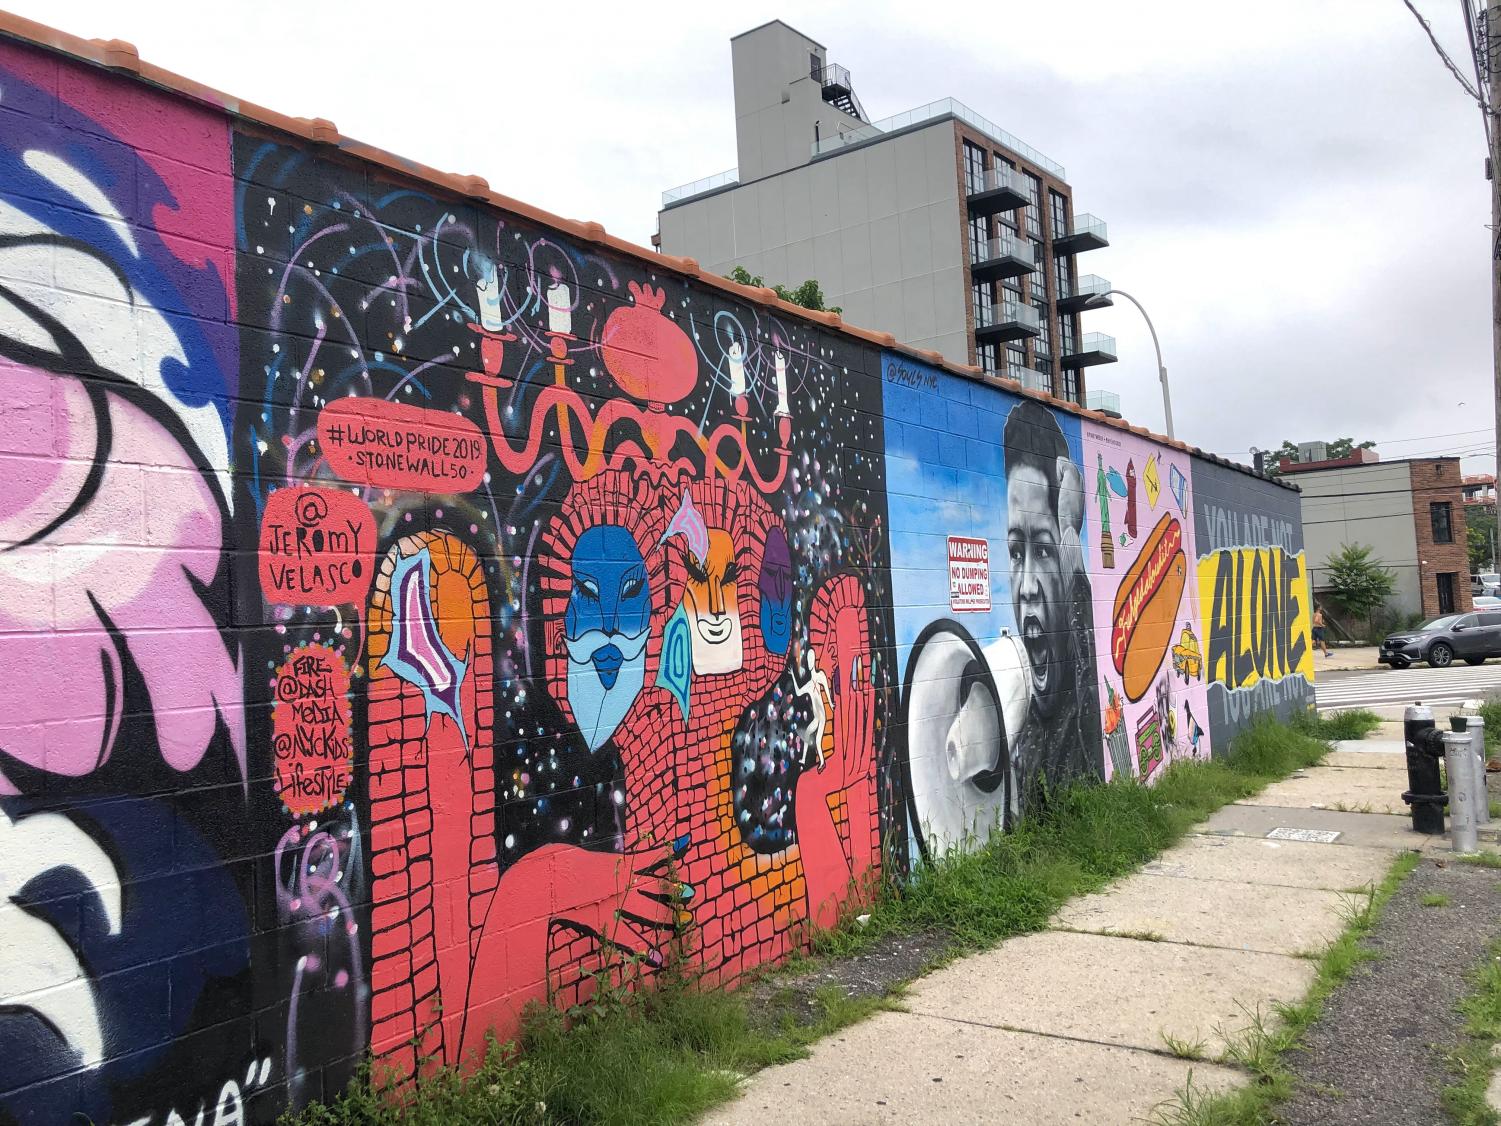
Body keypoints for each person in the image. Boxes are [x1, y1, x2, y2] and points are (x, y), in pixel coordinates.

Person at [1002, 400, 1104, 806]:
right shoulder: (1021, 740)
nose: (1027, 586)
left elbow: (1088, 667)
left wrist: (1068, 538)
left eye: (1042, 551)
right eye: (1014, 551)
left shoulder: (1083, 715)